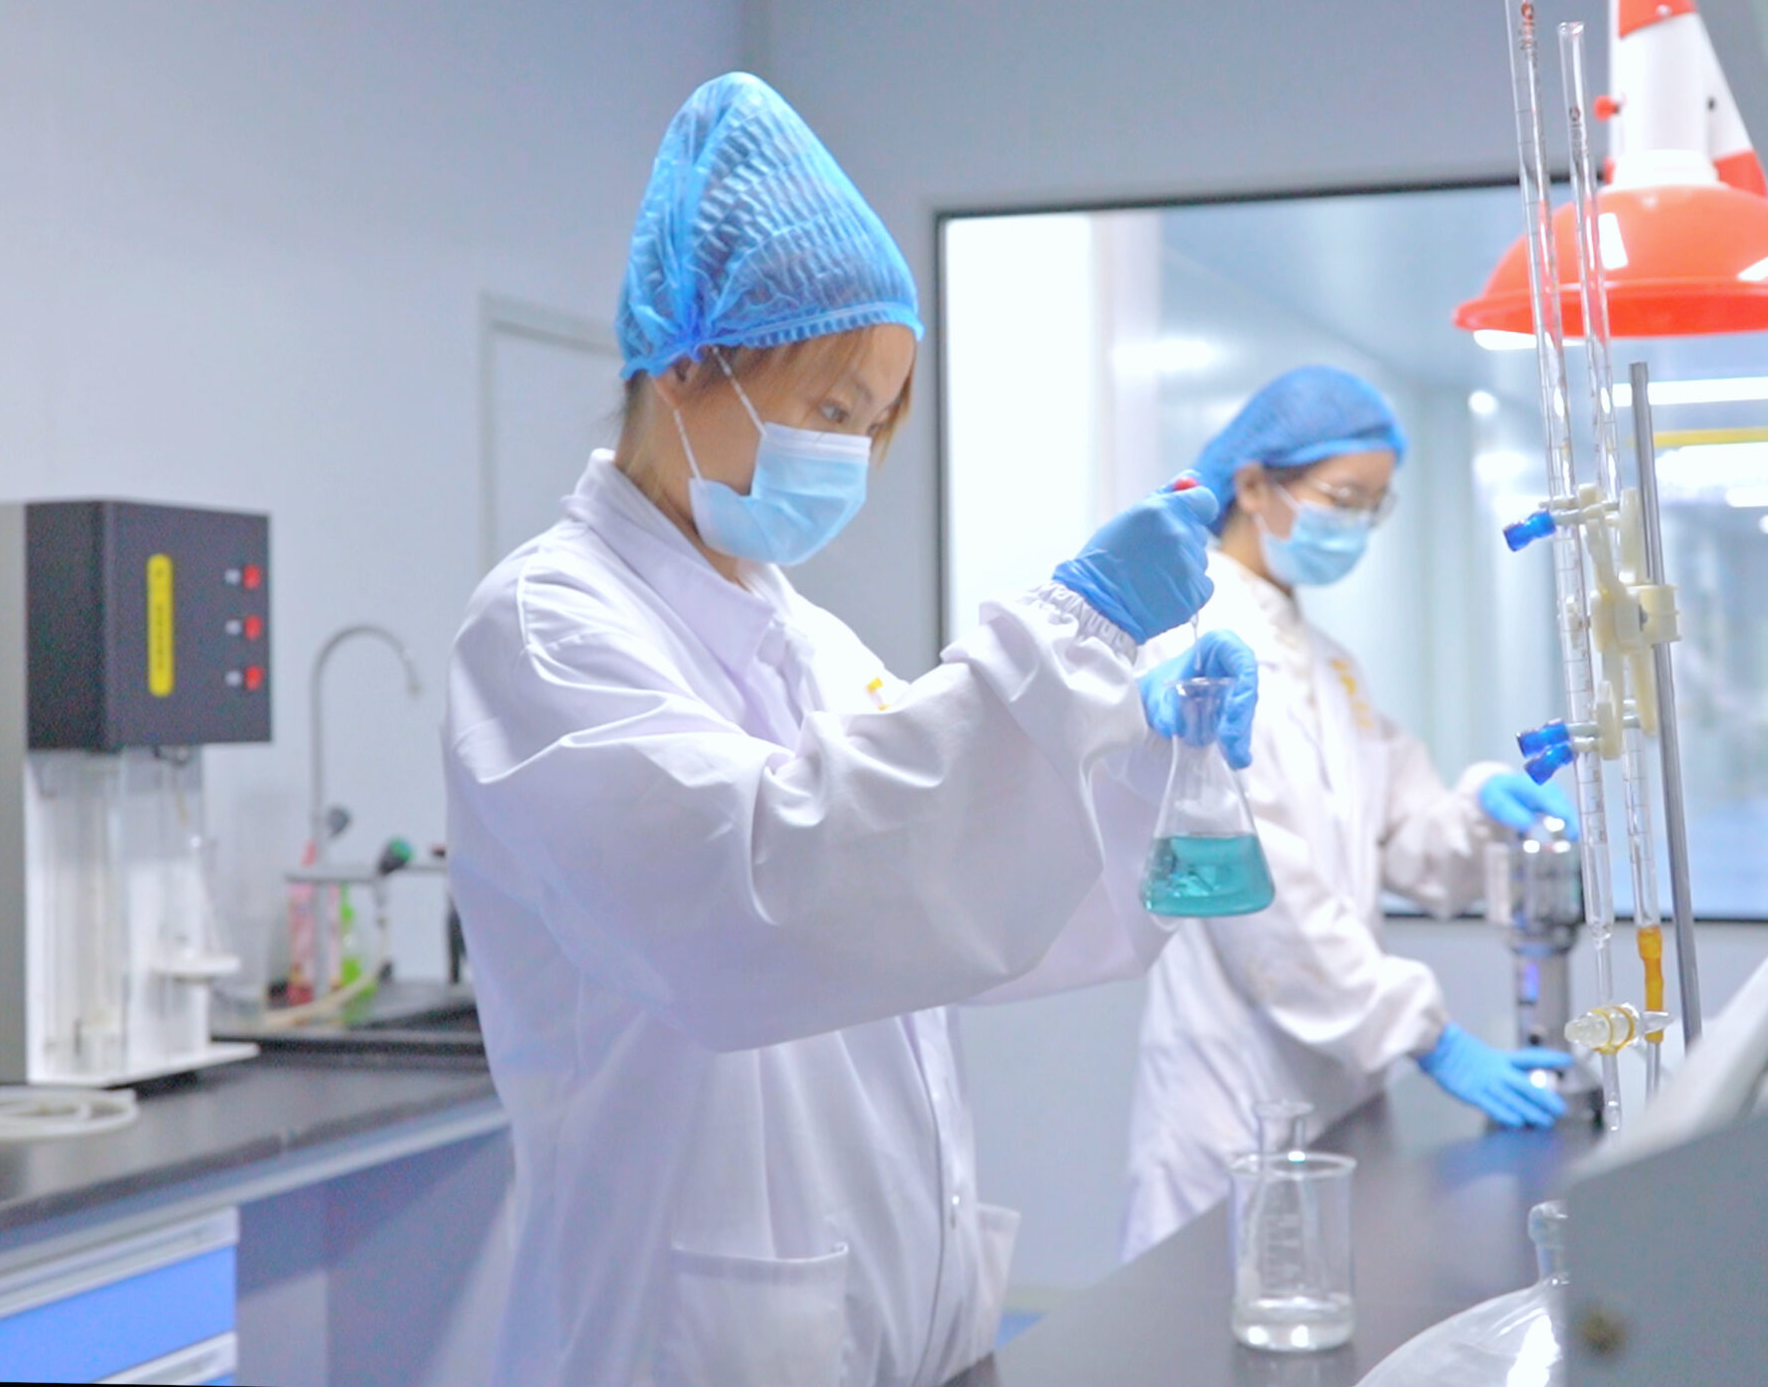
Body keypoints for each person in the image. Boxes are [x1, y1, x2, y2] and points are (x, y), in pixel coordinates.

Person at [445, 73, 1256, 1387]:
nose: (855, 457)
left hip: (904, 1325)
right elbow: (768, 901)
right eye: (832, 409)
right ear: (687, 363)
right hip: (684, 1343)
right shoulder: (545, 628)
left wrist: (1142, 764)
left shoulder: (807, 636)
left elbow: (931, 909)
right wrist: (1073, 633)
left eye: (877, 425)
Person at [1120, 366, 1577, 1260]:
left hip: (1337, 1078)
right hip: (1230, 1081)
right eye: (1342, 499)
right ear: (1255, 486)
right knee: (1211, 1309)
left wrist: (1482, 812)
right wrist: (1426, 1033)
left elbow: (1407, 838)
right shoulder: (1195, 641)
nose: (1358, 526)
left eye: (1374, 505)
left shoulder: (1328, 664)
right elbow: (1263, 892)